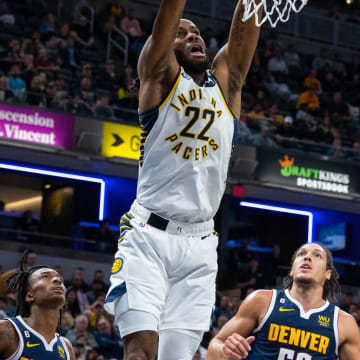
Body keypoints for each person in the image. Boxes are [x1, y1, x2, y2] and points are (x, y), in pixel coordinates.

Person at [104, 0, 261, 359]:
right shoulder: (159, 76)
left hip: (201, 244)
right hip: (148, 237)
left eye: (198, 34)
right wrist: (172, 22)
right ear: (165, 45)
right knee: (141, 350)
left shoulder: (225, 86)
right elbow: (169, 12)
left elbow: (245, 29)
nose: (195, 37)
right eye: (183, 33)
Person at [207, 243, 360, 359]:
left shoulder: (343, 323)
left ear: (328, 274)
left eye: (317, 255)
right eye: (301, 254)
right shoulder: (261, 301)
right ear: (292, 270)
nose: (307, 257)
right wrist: (224, 351)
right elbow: (213, 348)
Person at [0, 252, 75, 359]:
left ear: (64, 303)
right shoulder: (6, 331)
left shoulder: (67, 347)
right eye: (45, 277)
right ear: (29, 295)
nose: (57, 280)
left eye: (61, 280)